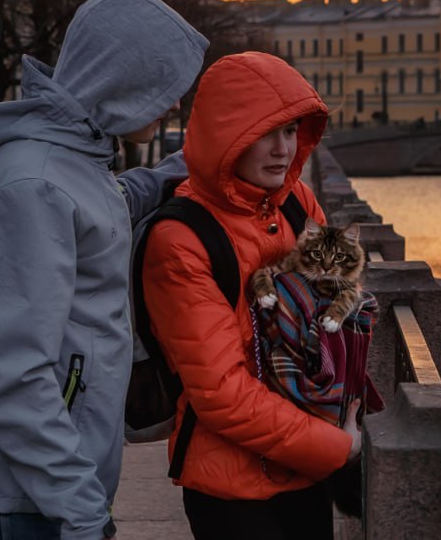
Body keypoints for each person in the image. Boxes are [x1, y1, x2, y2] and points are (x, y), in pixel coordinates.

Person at [0, 0, 210, 540]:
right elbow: (16, 372)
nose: (175, 104)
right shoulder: (34, 186)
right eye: (162, 83)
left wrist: (194, 162)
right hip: (22, 500)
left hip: (45, 489)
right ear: (122, 78)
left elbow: (111, 204)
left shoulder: (71, 162)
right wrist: (82, 510)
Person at [140, 52, 359, 540]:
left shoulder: (296, 203)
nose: (283, 149)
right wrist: (337, 447)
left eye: (290, 131)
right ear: (226, 135)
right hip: (231, 491)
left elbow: (331, 310)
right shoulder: (180, 238)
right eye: (265, 133)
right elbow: (221, 394)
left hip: (305, 470)